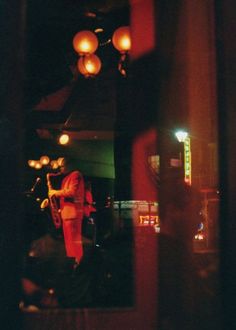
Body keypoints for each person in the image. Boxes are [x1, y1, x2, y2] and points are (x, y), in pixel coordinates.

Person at [47, 157, 85, 266]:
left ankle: (78, 264)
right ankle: (72, 263)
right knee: (69, 242)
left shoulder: (76, 174)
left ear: (70, 165)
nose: (61, 169)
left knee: (74, 242)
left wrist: (55, 192)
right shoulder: (66, 178)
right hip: (66, 213)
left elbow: (72, 192)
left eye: (63, 166)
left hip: (73, 214)